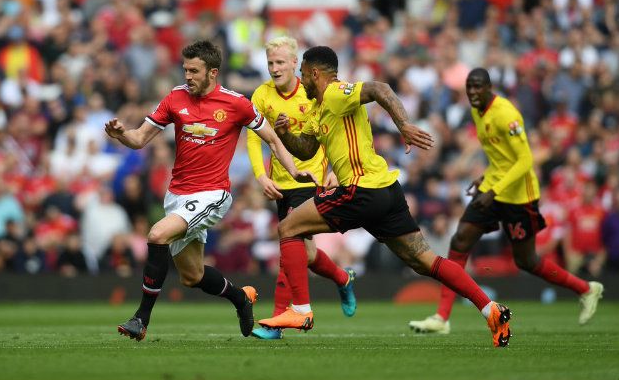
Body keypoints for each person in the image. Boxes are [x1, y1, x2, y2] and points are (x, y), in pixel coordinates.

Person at [261, 46, 512, 347]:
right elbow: (308, 150)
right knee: (423, 260)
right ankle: (490, 309)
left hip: (360, 189)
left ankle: (300, 311)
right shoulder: (318, 109)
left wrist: (403, 125)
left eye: (303, 72)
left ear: (316, 73)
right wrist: (286, 134)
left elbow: (380, 88)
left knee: (288, 227)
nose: (300, 80)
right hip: (385, 192)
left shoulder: (337, 93)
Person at [105, 40, 317, 341]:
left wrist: (294, 171)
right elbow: (139, 139)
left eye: (194, 71)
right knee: (192, 276)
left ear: (212, 72)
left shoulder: (236, 104)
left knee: (156, 235)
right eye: (185, 70)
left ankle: (141, 319)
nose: (187, 76)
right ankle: (241, 299)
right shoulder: (175, 97)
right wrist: (121, 135)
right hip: (177, 195)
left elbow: (271, 138)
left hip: (212, 194)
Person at [409, 68, 603, 335]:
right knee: (460, 239)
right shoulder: (478, 111)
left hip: (519, 196)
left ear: (490, 88)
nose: (473, 92)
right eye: (470, 88)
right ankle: (442, 318)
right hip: (494, 187)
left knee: (527, 261)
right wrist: (485, 180)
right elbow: (500, 158)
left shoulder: (507, 115)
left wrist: (493, 188)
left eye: (478, 87)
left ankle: (587, 289)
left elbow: (525, 160)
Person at [246, 36, 356, 340]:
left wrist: (334, 169)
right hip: (280, 181)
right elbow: (255, 137)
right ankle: (342, 278)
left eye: (280, 62)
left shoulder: (312, 91)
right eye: (270, 63)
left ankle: (282, 318)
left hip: (310, 179)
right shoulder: (261, 95)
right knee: (304, 253)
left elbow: (334, 129)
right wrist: (260, 175)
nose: (274, 68)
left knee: (288, 241)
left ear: (296, 64)